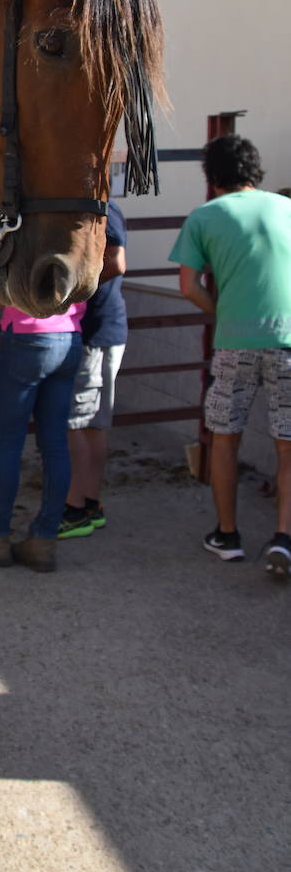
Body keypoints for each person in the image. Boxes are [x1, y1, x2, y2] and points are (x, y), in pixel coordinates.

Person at [168, 135, 291, 576]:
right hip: (288, 340)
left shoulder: (205, 216)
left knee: (224, 436)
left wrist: (223, 311)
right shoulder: (287, 209)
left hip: (235, 340)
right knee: (288, 442)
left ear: (212, 177)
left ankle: (228, 535)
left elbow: (188, 286)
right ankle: (284, 537)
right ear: (255, 171)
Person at [0, 301, 84, 573]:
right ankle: (44, 540)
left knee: (7, 442)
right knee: (55, 444)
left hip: (25, 332)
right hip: (69, 334)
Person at [58, 200, 128, 538]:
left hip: (97, 333)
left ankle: (74, 509)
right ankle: (89, 503)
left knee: (76, 421)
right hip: (102, 332)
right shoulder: (102, 210)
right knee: (93, 424)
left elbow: (116, 262)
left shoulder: (104, 212)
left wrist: (71, 289)